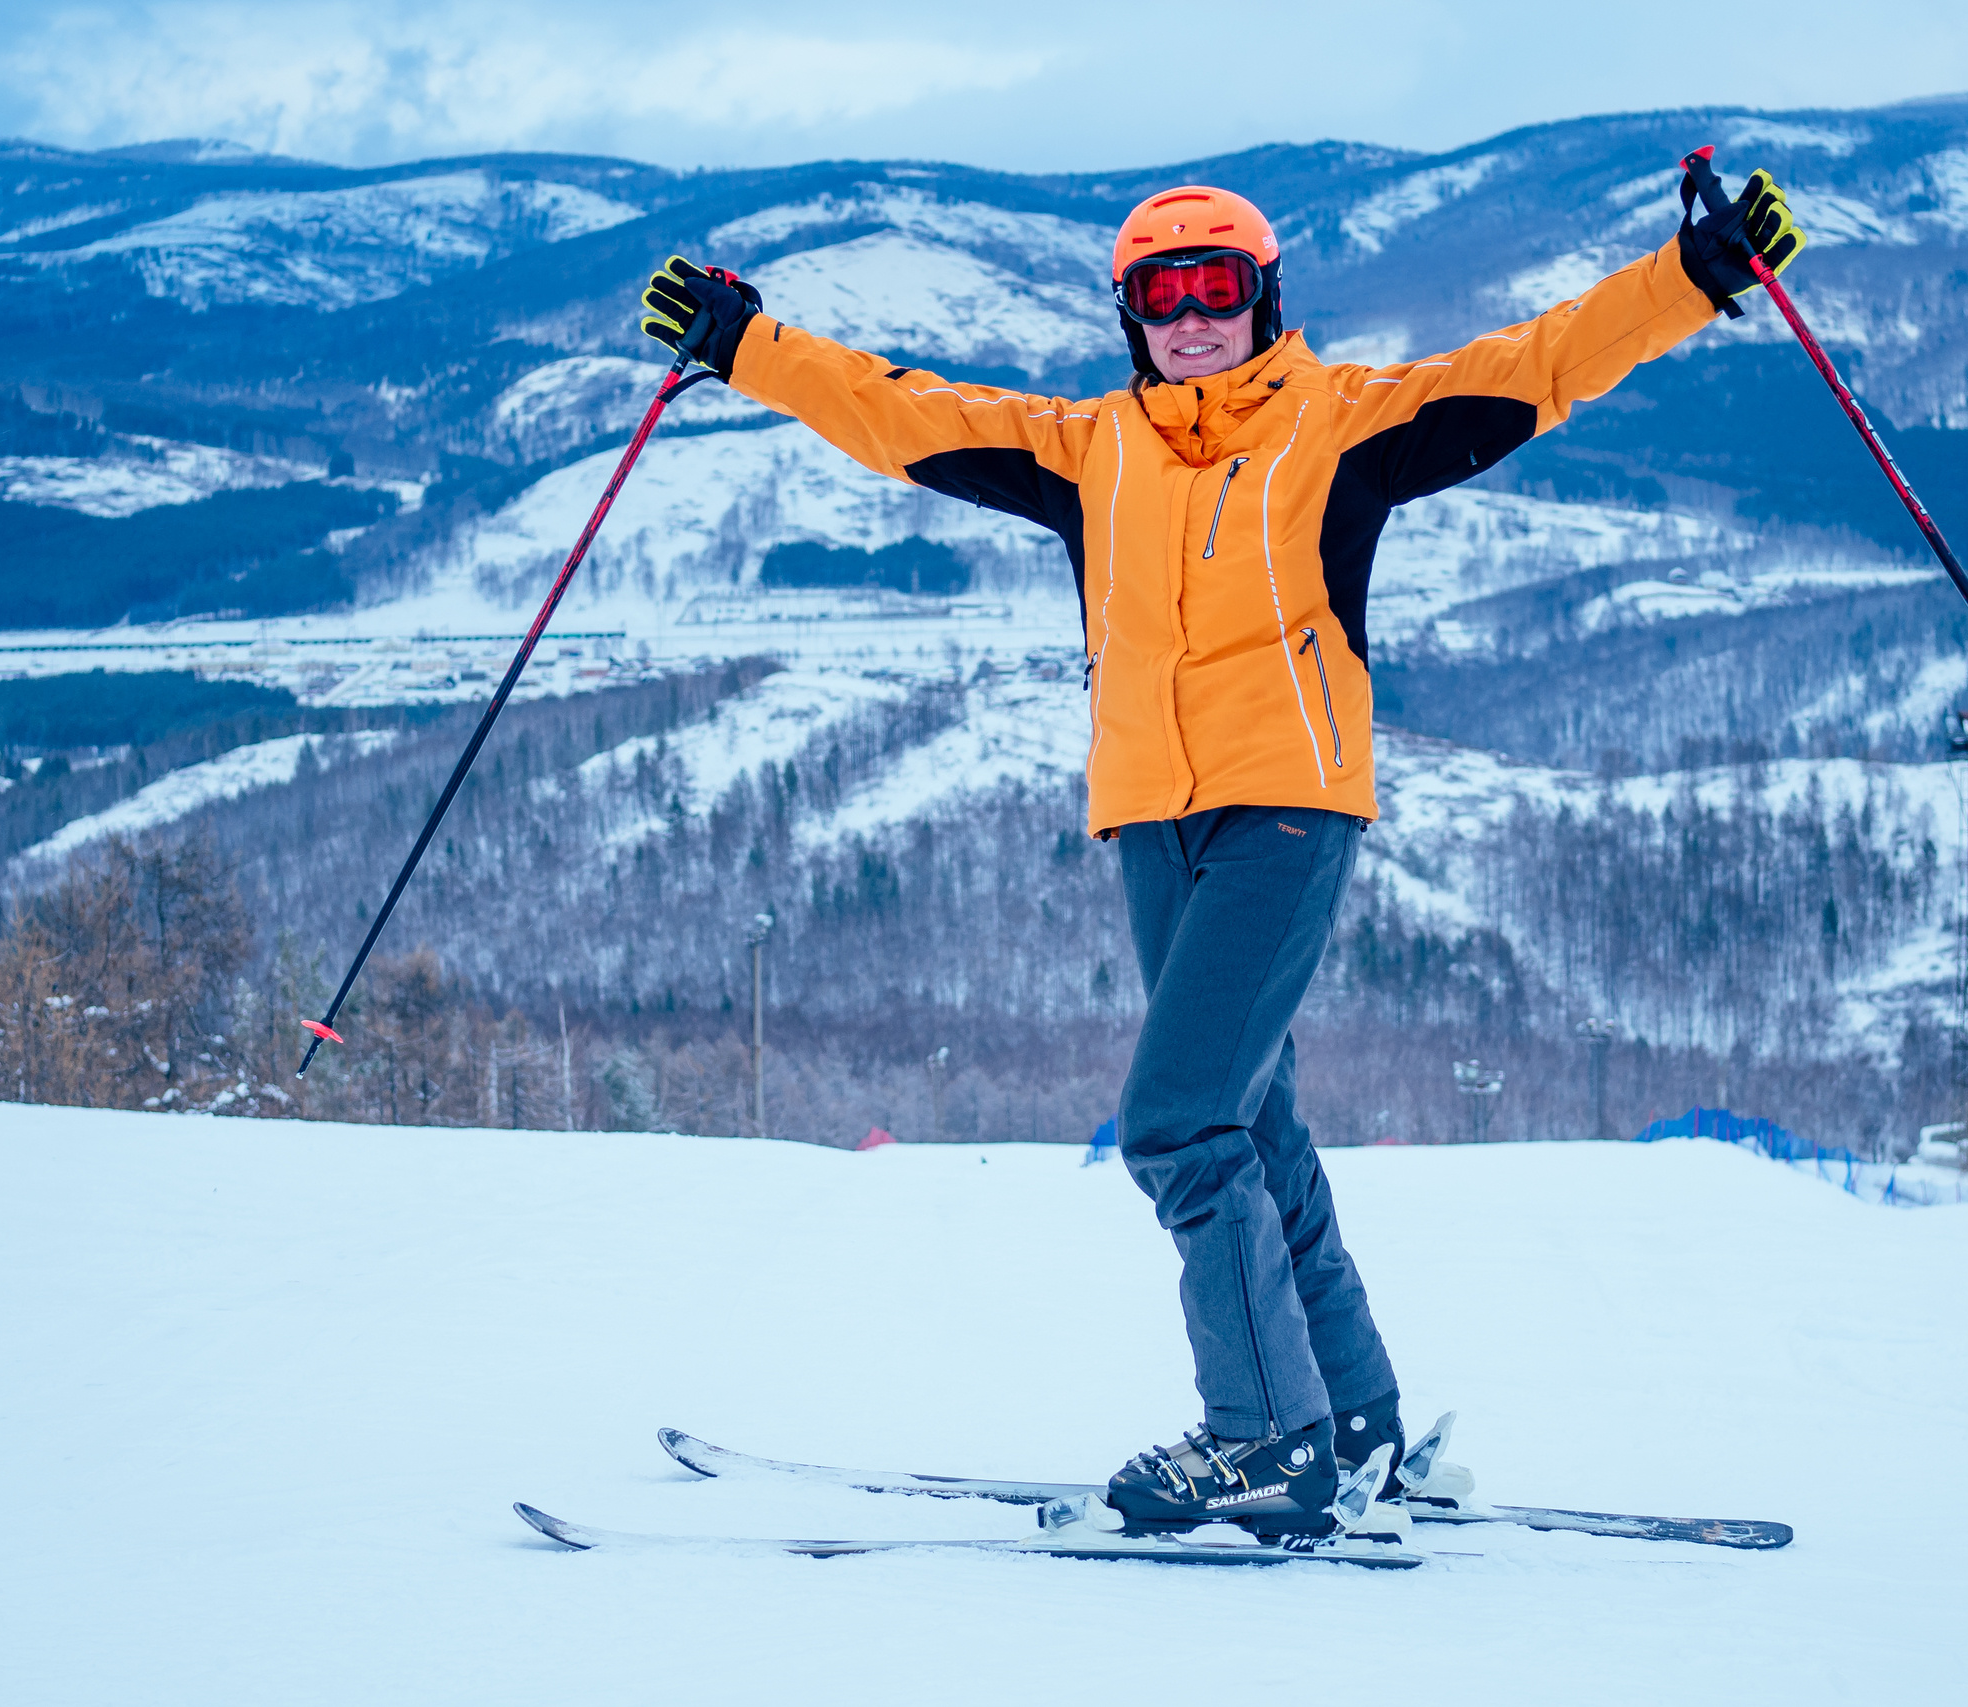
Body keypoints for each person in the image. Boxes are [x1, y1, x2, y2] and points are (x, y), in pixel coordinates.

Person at [639, 161, 1801, 1534]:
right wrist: (743, 342)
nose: (1192, 315)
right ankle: (1351, 1419)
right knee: (1253, 1120)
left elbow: (1541, 364)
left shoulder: (1344, 425)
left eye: (1218, 286)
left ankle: (1258, 1434)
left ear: (1263, 298)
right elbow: (899, 415)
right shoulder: (1088, 450)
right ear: (1131, 314)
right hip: (1150, 815)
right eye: (1162, 293)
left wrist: (1694, 275)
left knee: (1178, 1122)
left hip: (1287, 806)